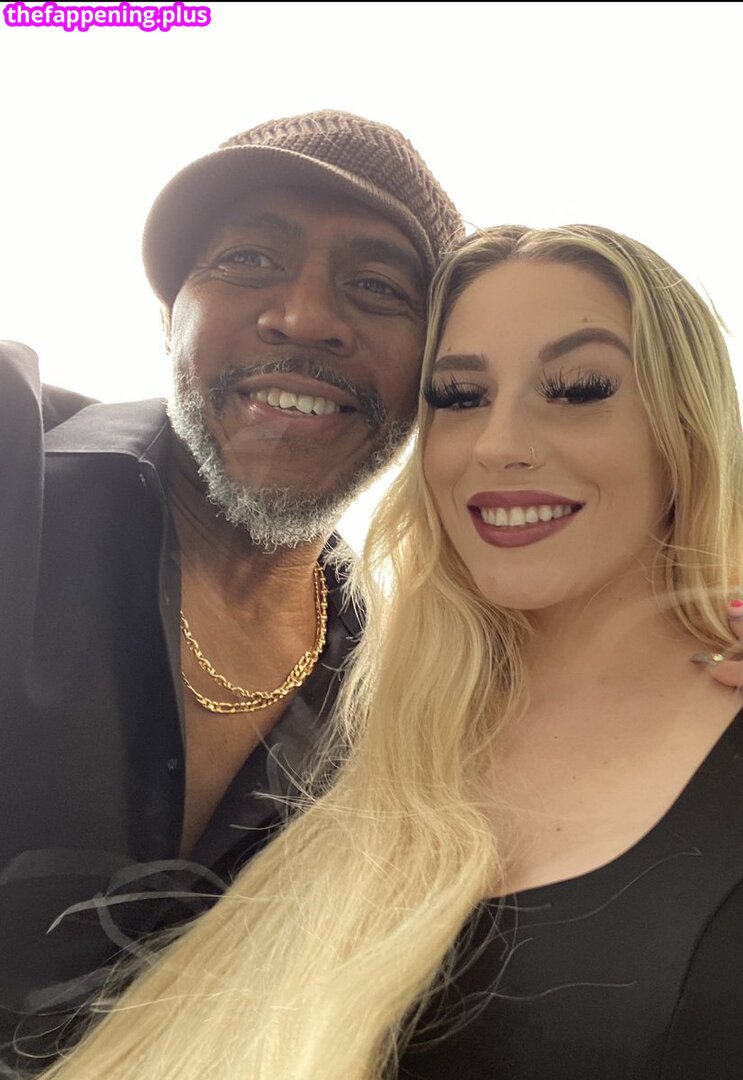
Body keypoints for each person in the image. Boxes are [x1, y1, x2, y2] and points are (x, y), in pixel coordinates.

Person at [32, 221, 743, 1080]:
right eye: (459, 396)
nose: (498, 444)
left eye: (579, 388)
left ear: (685, 425)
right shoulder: (360, 728)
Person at [0, 110, 464, 1069]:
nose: (303, 315)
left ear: (432, 372)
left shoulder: (401, 707)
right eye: (248, 259)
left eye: (377, 287)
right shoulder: (19, 465)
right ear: (169, 318)